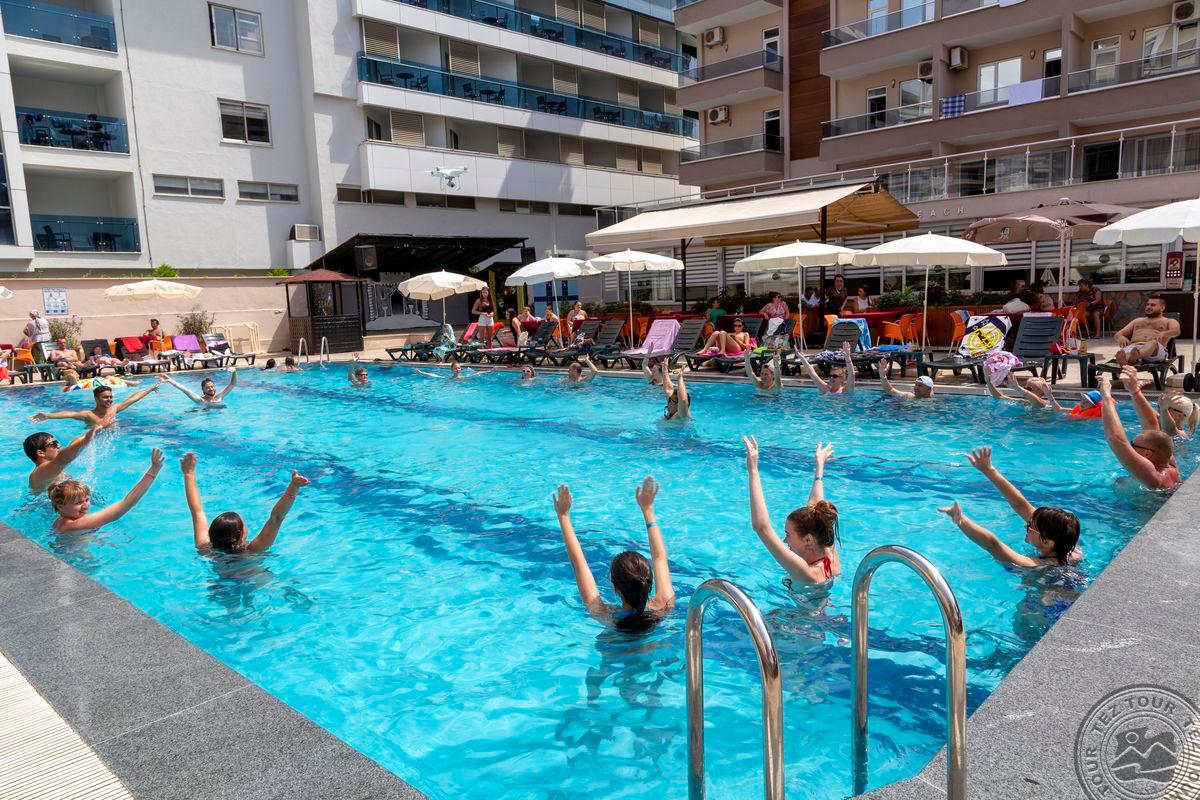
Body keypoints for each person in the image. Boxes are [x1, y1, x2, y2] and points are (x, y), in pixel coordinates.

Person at [551, 477, 674, 632]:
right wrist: (648, 509)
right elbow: (660, 558)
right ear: (649, 582)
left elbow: (579, 564)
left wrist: (563, 515)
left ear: (616, 588)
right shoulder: (664, 605)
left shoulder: (605, 616)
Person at [939, 446, 1081, 568]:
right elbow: (1020, 505)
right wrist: (988, 470)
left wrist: (961, 521)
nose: (1026, 525)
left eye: (1030, 526)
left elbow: (992, 545)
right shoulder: (1071, 550)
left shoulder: (1036, 565)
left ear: (1047, 541)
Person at [744, 436, 841, 585]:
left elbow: (761, 527)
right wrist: (819, 466)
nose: (784, 540)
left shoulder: (807, 573)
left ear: (808, 540)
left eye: (788, 534)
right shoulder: (828, 551)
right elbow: (815, 508)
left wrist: (753, 471)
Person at [181, 452, 310, 555]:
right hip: (253, 580)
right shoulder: (252, 551)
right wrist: (294, 487)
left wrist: (188, 473)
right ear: (241, 535)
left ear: (211, 534)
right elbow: (276, 517)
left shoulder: (205, 549)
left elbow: (197, 511)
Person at [1097, 373, 1180, 490]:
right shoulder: (1168, 463)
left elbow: (1115, 438)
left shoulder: (1153, 478)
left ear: (1147, 454)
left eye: (1133, 445)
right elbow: (1151, 425)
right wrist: (1134, 391)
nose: (1130, 447)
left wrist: (1106, 396)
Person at [49, 447, 164, 533]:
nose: (85, 505)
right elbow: (127, 503)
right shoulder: (75, 524)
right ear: (60, 506)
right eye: (78, 503)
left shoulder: (61, 521)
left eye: (87, 500)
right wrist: (154, 470)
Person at [30, 381, 161, 428]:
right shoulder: (88, 414)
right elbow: (69, 414)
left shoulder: (113, 409)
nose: (109, 400)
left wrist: (150, 389)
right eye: (105, 397)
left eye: (110, 397)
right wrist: (48, 415)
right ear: (96, 399)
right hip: (94, 441)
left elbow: (133, 398)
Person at [24, 427, 99, 493]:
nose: (59, 446)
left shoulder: (53, 468)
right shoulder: (40, 472)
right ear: (41, 453)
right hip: (44, 504)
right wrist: (87, 438)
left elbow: (72, 446)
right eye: (54, 444)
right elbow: (63, 457)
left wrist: (97, 429)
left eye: (57, 442)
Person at [1113, 295, 1179, 367]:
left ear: (1162, 308)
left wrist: (1163, 333)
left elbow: (1176, 331)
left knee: (1152, 343)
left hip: (1155, 351)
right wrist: (1121, 337)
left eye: (1153, 305)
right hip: (1134, 347)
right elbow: (1118, 334)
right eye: (1148, 304)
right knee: (1128, 352)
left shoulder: (1169, 321)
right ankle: (1130, 361)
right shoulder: (1137, 321)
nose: (1149, 307)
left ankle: (1135, 357)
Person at [985, 373, 1062, 410]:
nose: (1026, 390)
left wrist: (1018, 388)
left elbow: (1036, 401)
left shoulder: (1046, 403)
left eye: (1029, 388)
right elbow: (998, 397)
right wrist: (989, 382)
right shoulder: (1024, 402)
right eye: (1026, 388)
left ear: (1041, 392)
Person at [160, 369, 237, 405]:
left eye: (212, 386)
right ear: (203, 389)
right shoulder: (201, 400)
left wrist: (234, 372)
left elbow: (232, 384)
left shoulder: (219, 397)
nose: (211, 389)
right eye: (208, 387)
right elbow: (185, 390)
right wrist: (170, 380)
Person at [416, 360, 481, 380]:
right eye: (455, 368)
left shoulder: (464, 377)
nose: (457, 370)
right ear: (452, 370)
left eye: (459, 368)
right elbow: (434, 375)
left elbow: (475, 374)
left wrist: (489, 371)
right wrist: (421, 372)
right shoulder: (449, 378)